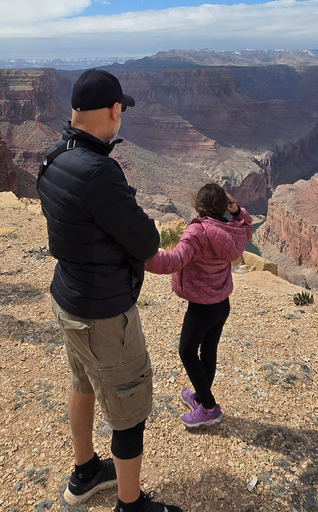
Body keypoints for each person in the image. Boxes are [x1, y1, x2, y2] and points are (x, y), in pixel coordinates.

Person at [37, 69, 182, 512]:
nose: (122, 117)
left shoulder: (54, 156)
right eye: (121, 110)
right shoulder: (98, 171)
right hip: (104, 314)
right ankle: (131, 504)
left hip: (70, 297)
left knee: (82, 383)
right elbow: (145, 241)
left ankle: (85, 473)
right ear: (114, 110)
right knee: (129, 406)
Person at [144, 184, 252, 428]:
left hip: (202, 307)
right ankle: (200, 398)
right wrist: (236, 211)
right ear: (223, 207)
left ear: (198, 206)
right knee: (209, 350)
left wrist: (140, 257)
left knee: (187, 352)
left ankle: (210, 408)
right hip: (221, 304)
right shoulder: (233, 230)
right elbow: (246, 227)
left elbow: (173, 261)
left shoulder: (198, 232)